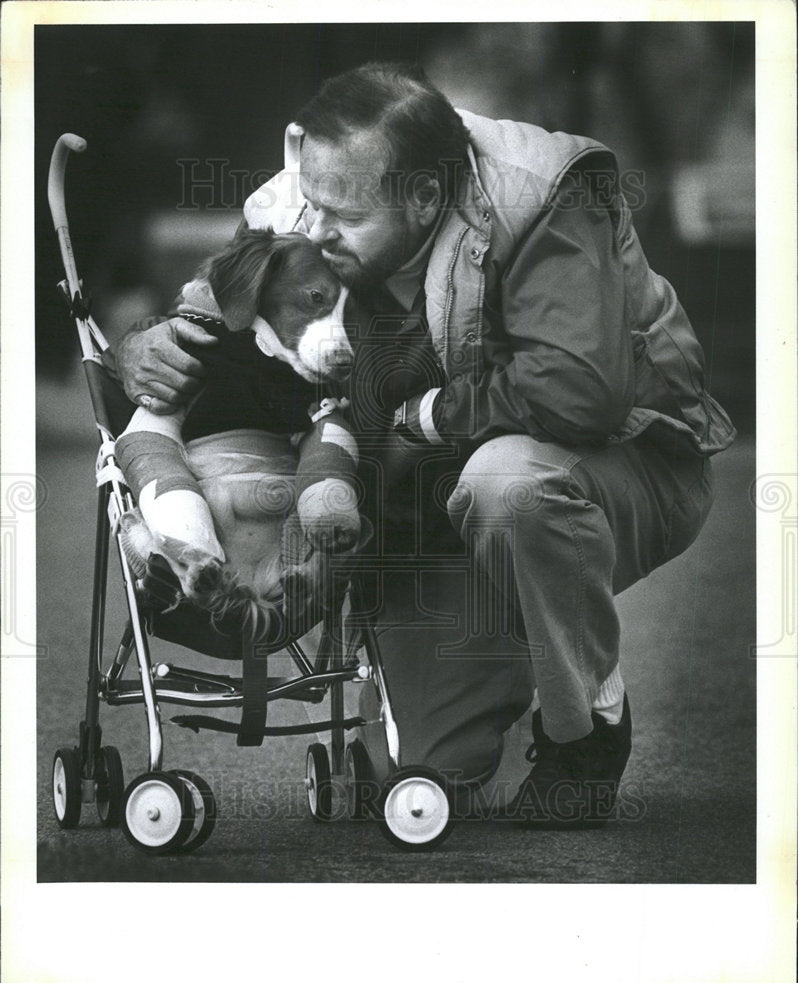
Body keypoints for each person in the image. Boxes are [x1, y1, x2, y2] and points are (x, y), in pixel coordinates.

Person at [110, 62, 736, 826]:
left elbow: (579, 394)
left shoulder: (547, 195)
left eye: (341, 215)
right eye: (312, 202)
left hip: (622, 461)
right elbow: (218, 315)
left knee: (508, 487)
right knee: (454, 779)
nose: (317, 228)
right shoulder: (320, 195)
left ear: (424, 197)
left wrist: (418, 419)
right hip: (432, 490)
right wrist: (142, 345)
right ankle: (496, 687)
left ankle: (588, 722)